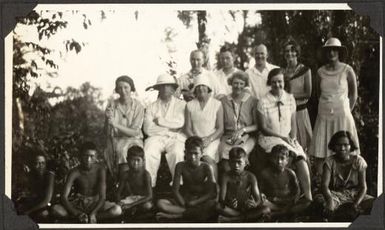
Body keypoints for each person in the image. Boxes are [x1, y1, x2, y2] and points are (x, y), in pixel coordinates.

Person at [256, 68, 312, 202]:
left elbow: (293, 125)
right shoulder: (263, 101)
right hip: (270, 138)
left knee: (300, 158)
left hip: (287, 138)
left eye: (280, 82)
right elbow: (263, 128)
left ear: (284, 82)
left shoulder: (290, 98)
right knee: (286, 154)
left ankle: (308, 196)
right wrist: (282, 138)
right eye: (274, 82)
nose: (277, 85)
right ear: (269, 83)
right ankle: (285, 197)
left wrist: (292, 140)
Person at [310, 37, 360, 176]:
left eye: (334, 50)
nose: (331, 52)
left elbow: (353, 95)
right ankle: (322, 183)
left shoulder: (347, 70)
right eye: (328, 50)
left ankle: (347, 183)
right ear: (325, 53)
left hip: (342, 116)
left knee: (346, 150)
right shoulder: (320, 72)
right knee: (321, 151)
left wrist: (345, 111)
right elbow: (318, 94)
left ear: (339, 52)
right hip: (324, 115)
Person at [52, 142, 121, 223]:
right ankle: (80, 217)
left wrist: (94, 213)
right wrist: (77, 213)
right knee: (55, 210)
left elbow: (102, 197)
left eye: (92, 156)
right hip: (79, 203)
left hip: (96, 202)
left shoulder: (100, 169)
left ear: (96, 157)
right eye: (85, 156)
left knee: (117, 210)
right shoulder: (74, 172)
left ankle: (89, 218)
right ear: (80, 156)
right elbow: (64, 197)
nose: (88, 159)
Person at [315, 131, 374, 221]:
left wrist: (356, 204)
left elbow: (363, 187)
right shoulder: (329, 161)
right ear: (334, 146)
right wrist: (330, 201)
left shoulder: (359, 161)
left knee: (376, 204)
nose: (342, 148)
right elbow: (324, 186)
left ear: (351, 146)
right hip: (336, 195)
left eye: (346, 145)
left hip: (355, 195)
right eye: (338, 145)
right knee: (321, 205)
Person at [156, 136, 217, 222]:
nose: (192, 157)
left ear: (202, 153)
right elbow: (175, 190)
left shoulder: (206, 167)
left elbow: (212, 193)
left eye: (196, 153)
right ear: (185, 152)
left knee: (212, 205)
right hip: (185, 199)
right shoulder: (180, 166)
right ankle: (189, 214)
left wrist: (196, 202)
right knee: (161, 203)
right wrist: (184, 204)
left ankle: (175, 216)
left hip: (200, 200)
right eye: (190, 153)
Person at [143, 73, 186, 188]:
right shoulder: (151, 107)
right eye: (162, 86)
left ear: (173, 89)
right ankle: (149, 186)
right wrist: (168, 128)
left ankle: (178, 186)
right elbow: (147, 128)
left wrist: (160, 121)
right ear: (158, 89)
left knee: (177, 152)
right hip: (157, 138)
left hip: (175, 137)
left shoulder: (181, 105)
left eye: (168, 86)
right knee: (148, 152)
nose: (165, 89)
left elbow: (180, 123)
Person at [104, 75, 144, 181]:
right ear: (116, 90)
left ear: (131, 88)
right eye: (120, 88)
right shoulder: (112, 104)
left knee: (127, 151)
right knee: (115, 151)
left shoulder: (138, 106)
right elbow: (107, 131)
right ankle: (120, 185)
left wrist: (115, 124)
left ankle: (133, 184)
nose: (123, 91)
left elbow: (135, 132)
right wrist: (107, 119)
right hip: (116, 139)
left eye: (126, 87)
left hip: (134, 139)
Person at [185, 74, 224, 179]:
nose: (201, 88)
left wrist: (209, 139)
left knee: (207, 159)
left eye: (203, 86)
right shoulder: (189, 105)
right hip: (195, 139)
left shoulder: (217, 104)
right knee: (192, 158)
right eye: (198, 86)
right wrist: (196, 140)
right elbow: (187, 127)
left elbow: (220, 128)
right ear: (195, 90)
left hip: (212, 140)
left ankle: (214, 188)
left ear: (208, 88)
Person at [218, 70, 258, 173]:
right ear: (231, 83)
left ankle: (242, 182)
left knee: (240, 152)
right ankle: (230, 181)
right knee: (224, 152)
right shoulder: (224, 101)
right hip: (228, 136)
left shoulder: (252, 101)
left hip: (247, 136)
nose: (238, 86)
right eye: (235, 83)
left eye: (241, 83)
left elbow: (257, 125)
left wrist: (243, 130)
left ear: (245, 85)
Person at [259, 145, 311, 220]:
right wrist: (263, 196)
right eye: (275, 158)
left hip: (287, 202)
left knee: (307, 203)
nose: (279, 161)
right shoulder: (265, 173)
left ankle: (277, 214)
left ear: (287, 161)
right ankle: (282, 212)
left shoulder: (290, 173)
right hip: (272, 203)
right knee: (261, 204)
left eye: (282, 158)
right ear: (270, 158)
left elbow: (296, 192)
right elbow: (260, 190)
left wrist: (290, 201)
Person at [217, 147, 266, 222]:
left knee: (266, 209)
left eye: (239, 162)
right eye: (233, 162)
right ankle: (244, 218)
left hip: (247, 208)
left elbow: (258, 199)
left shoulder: (251, 176)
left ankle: (231, 219)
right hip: (232, 209)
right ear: (229, 162)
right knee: (217, 207)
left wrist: (254, 204)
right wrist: (229, 203)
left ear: (246, 163)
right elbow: (221, 199)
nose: (236, 165)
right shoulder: (226, 176)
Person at [282, 40, 312, 153]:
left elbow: (308, 93)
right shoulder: (283, 72)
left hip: (301, 111)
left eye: (292, 50)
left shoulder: (305, 70)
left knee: (303, 145)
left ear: (297, 53)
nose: (289, 53)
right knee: (289, 145)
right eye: (286, 51)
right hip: (287, 113)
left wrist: (289, 96)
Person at [17, 153, 55, 222]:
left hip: (51, 205)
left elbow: (47, 200)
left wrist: (29, 211)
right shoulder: (33, 175)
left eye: (42, 163)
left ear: (46, 164)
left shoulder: (50, 175)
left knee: (42, 214)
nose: (40, 166)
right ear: (33, 165)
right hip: (39, 203)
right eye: (37, 163)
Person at [116, 146, 153, 216]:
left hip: (142, 199)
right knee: (118, 207)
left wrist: (131, 205)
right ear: (127, 160)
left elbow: (150, 196)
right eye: (133, 160)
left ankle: (134, 210)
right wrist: (119, 201)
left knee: (148, 206)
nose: (135, 163)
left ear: (143, 161)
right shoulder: (125, 174)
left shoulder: (146, 175)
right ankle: (133, 210)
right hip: (131, 198)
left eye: (138, 160)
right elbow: (118, 193)